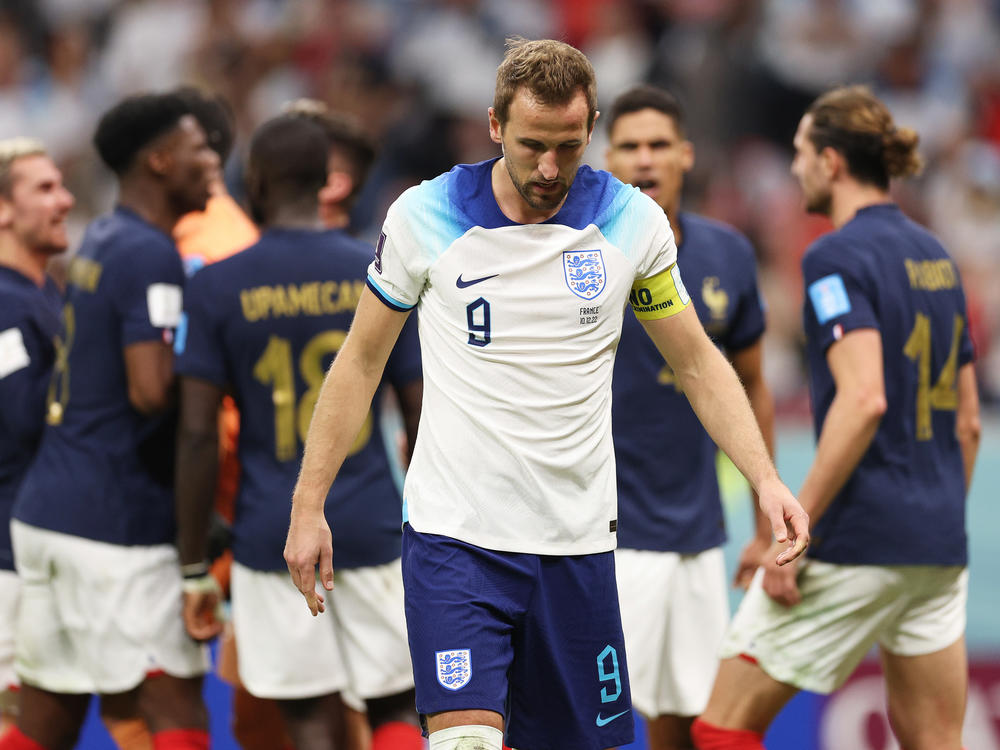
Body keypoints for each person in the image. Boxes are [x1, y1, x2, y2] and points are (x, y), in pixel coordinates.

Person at [285, 37, 808, 750]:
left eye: (569, 145)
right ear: (495, 124)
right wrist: (309, 504)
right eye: (532, 144)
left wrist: (767, 478)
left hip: (578, 545)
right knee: (463, 741)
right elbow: (358, 364)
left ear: (590, 130)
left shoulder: (631, 223)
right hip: (455, 540)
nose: (550, 167)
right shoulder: (424, 215)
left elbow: (697, 364)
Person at [693, 86, 981, 750]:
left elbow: (863, 398)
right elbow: (969, 423)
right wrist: (931, 515)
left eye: (799, 153)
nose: (793, 169)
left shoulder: (834, 256)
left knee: (721, 728)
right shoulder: (938, 258)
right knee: (935, 740)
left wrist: (796, 529)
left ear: (830, 161)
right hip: (937, 544)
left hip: (858, 537)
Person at [174, 113, 422, 750]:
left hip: (271, 533)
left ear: (253, 180)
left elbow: (198, 435)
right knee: (396, 697)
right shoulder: (379, 272)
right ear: (325, 182)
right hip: (372, 521)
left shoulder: (216, 287)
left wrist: (195, 560)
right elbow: (422, 409)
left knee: (309, 717)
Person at [5, 92, 219, 750]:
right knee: (172, 700)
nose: (213, 159)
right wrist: (216, 365)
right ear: (157, 161)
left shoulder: (98, 241)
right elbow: (152, 391)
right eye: (200, 148)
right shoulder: (145, 252)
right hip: (108, 521)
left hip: (45, 517)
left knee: (49, 712)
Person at [603, 85, 774, 750]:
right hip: (605, 536)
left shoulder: (728, 254)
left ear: (685, 155)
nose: (645, 161)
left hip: (701, 539)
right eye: (630, 147)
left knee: (687, 721)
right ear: (607, 157)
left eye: (658, 146)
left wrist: (763, 528)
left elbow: (753, 383)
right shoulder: (579, 257)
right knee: (599, 722)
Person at [0, 138, 73, 739]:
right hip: (7, 559)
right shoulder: (4, 304)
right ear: (3, 209)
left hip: (38, 553)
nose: (65, 199)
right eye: (44, 189)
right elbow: (24, 420)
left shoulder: (44, 296)